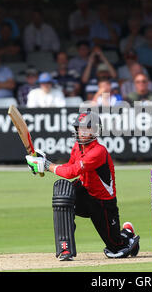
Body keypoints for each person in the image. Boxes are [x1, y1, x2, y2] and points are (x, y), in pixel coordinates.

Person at [25, 110, 140, 260]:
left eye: (88, 128)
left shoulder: (98, 152)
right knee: (62, 196)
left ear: (95, 130)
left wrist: (47, 165)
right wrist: (43, 163)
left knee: (116, 249)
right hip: (84, 190)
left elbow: (72, 172)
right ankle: (65, 249)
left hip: (102, 201)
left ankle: (127, 233)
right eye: (81, 128)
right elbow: (69, 166)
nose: (83, 132)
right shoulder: (77, 147)